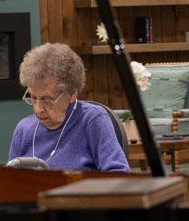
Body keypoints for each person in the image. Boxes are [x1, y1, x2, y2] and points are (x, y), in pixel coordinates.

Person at [7, 41, 130, 172]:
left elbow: (118, 174)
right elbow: (10, 182)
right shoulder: (24, 129)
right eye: (33, 97)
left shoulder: (93, 120)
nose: (38, 109)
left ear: (71, 94)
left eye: (47, 100)